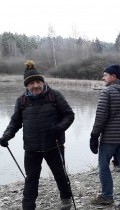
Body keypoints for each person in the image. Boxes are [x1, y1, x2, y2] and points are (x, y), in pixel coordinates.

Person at [0, 60, 75, 210]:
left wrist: (59, 128)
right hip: (31, 148)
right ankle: (28, 207)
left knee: (60, 175)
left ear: (42, 82)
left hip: (54, 145)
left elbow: (69, 115)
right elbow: (15, 122)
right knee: (31, 180)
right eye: (31, 83)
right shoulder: (21, 101)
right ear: (26, 86)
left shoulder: (54, 96)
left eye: (38, 82)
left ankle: (66, 200)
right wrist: (6, 136)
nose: (35, 86)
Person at [89, 64, 120, 209]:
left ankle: (107, 196)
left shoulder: (107, 92)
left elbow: (100, 117)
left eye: (105, 75)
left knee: (104, 166)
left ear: (114, 76)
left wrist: (94, 136)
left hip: (109, 140)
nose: (103, 77)